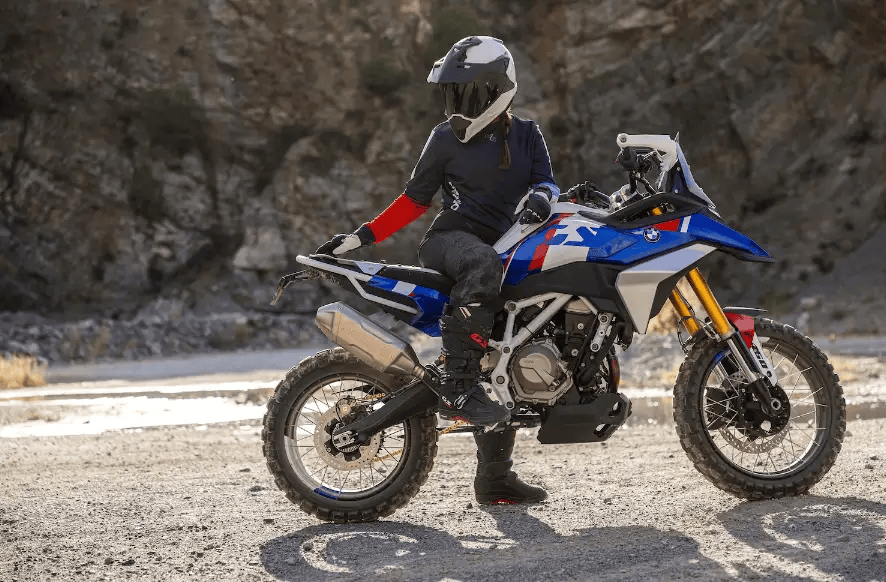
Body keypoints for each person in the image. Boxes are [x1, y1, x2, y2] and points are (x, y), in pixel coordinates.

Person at [317, 36, 554, 504]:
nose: (457, 103)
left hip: (506, 250)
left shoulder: (527, 135)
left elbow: (546, 181)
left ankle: (495, 480)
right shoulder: (444, 137)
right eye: (452, 93)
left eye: (466, 92)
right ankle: (459, 387)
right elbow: (414, 201)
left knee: (505, 351)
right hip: (450, 242)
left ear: (496, 90)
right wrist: (359, 237)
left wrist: (544, 198)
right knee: (481, 264)